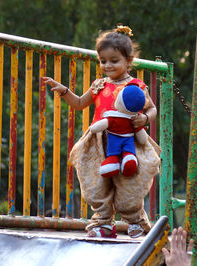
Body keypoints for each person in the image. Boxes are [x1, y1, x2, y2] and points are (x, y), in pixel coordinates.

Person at [42, 25, 161, 238]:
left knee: (128, 182)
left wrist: (144, 118)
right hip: (99, 142)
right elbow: (79, 103)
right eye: (103, 60)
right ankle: (103, 223)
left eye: (114, 61)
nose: (107, 65)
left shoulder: (135, 86)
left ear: (128, 61)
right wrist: (64, 91)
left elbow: (151, 108)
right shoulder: (99, 85)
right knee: (97, 183)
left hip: (127, 142)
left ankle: (135, 221)